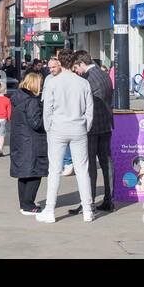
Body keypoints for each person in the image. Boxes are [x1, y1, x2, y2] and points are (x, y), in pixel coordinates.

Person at [36, 51, 96, 223]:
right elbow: (89, 109)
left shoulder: (53, 83)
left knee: (54, 170)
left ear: (60, 63)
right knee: (82, 170)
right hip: (78, 128)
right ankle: (87, 210)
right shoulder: (83, 83)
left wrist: (49, 127)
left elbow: (47, 108)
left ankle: (50, 209)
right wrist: (86, 126)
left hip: (58, 128)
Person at [72, 52, 114, 213]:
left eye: (76, 68)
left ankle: (88, 202)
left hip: (91, 127)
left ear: (82, 63)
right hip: (106, 124)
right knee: (106, 163)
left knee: (89, 166)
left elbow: (84, 103)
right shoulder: (104, 75)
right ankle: (109, 199)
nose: (76, 71)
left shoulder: (87, 79)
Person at [9, 71, 47, 215]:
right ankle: (28, 204)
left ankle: (24, 203)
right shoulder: (31, 101)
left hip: (20, 140)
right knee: (35, 172)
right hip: (32, 141)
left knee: (23, 173)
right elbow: (36, 123)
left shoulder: (18, 97)